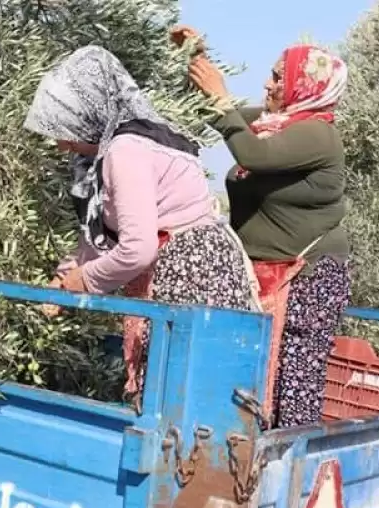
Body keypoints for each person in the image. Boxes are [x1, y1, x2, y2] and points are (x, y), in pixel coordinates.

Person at [23, 45, 259, 413]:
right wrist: (64, 277)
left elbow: (137, 248)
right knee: (172, 395)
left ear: (87, 115)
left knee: (178, 396)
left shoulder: (125, 151)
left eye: (64, 128)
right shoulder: (108, 152)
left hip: (191, 273)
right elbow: (105, 233)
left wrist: (83, 281)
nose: (59, 142)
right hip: (178, 265)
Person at [176, 26, 351, 428]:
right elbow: (215, 112)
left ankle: (288, 476)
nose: (267, 84)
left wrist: (220, 97)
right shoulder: (276, 123)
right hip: (260, 275)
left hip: (307, 277)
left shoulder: (317, 136)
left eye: (277, 77)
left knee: (293, 383)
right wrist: (194, 56)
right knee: (246, 379)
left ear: (302, 86)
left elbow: (250, 152)